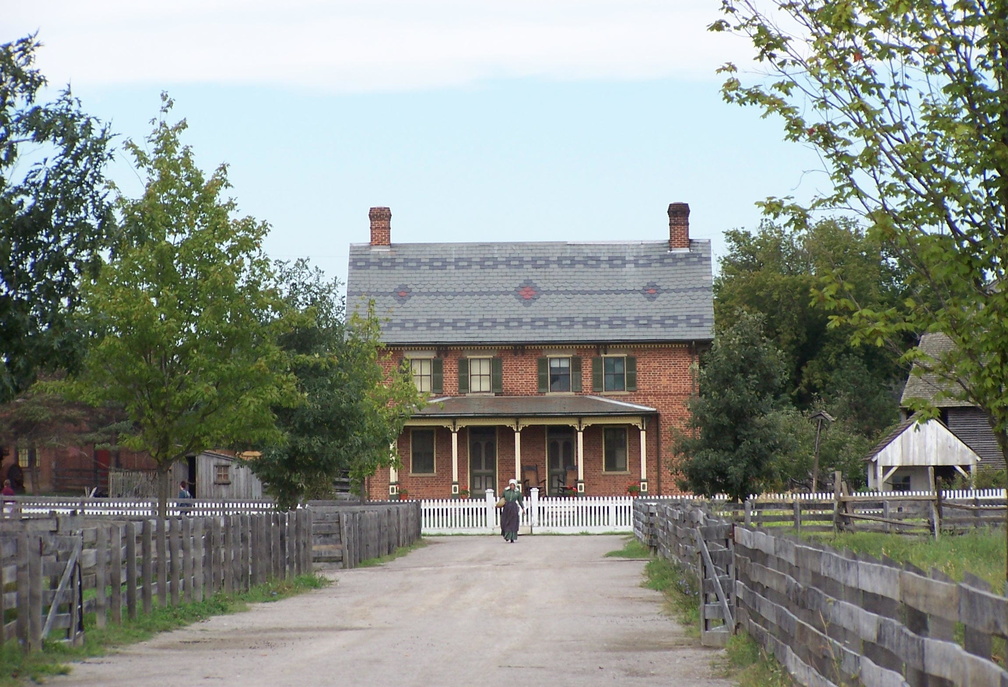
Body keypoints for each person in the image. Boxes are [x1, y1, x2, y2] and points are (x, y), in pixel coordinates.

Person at [500, 478, 525, 543]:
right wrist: (500, 504)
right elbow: (502, 498)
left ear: (515, 485)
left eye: (513, 485)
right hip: (507, 508)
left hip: (514, 508)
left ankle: (512, 538)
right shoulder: (506, 491)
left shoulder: (517, 492)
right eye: (511, 485)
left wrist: (523, 508)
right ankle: (506, 536)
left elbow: (520, 501)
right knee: (505, 521)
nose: (512, 486)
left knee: (513, 523)